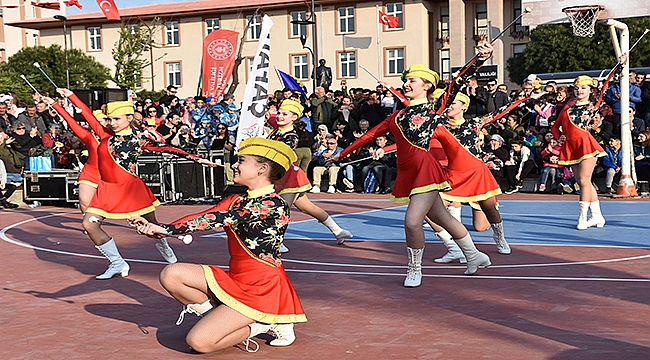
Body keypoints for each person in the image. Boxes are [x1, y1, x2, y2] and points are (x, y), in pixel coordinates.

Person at [129, 138, 306, 353]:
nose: (234, 165)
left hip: (262, 287)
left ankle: (263, 324)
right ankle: (220, 318)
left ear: (262, 168)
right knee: (172, 274)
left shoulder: (273, 204)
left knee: (199, 342)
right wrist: (157, 227)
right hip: (237, 278)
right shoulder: (236, 200)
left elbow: (219, 219)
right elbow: (205, 215)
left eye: (241, 160)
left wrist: (168, 230)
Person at [332, 59, 493, 287]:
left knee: (412, 221)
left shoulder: (434, 109)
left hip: (425, 170)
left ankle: (414, 269)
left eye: (412, 80)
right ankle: (474, 255)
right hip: (407, 171)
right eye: (406, 80)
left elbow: (457, 80)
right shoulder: (396, 116)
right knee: (443, 218)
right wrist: (342, 154)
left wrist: (480, 58)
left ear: (426, 86)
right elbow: (368, 136)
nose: (407, 84)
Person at [80, 101, 217, 280]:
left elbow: (166, 148)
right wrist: (69, 97)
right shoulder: (105, 137)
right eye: (109, 119)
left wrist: (196, 159)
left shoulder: (138, 140)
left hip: (132, 190)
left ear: (129, 118)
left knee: (152, 224)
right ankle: (117, 263)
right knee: (88, 224)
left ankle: (163, 245)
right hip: (107, 190)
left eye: (116, 119)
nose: (112, 123)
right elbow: (88, 117)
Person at [428, 91, 534, 263]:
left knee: (490, 212)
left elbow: (501, 111)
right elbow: (413, 138)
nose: (450, 106)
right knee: (427, 207)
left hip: (477, 175)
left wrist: (524, 98)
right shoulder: (440, 127)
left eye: (454, 103)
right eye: (448, 103)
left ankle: (499, 237)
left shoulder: (475, 124)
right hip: (453, 177)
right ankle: (454, 247)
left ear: (464, 106)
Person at [268, 99, 352, 247]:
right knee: (307, 207)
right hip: (278, 175)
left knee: (282, 208)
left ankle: (277, 241)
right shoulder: (276, 131)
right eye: (279, 113)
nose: (280, 116)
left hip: (289, 177)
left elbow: (283, 154)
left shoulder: (291, 136)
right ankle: (338, 230)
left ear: (294, 117)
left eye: (285, 114)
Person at [550, 75, 607, 230]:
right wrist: (558, 138)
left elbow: (604, 88)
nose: (579, 90)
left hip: (586, 145)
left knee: (583, 180)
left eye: (583, 88)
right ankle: (597, 216)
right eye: (577, 88)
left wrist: (621, 65)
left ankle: (582, 216)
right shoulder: (566, 109)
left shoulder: (592, 106)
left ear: (590, 90)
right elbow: (555, 127)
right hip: (570, 147)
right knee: (585, 183)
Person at [44, 89, 109, 214]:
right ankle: (89, 223)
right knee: (84, 200)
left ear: (106, 122)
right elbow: (70, 121)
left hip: (110, 173)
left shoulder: (113, 136)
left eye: (101, 122)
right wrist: (54, 104)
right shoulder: (88, 136)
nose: (97, 125)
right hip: (91, 171)